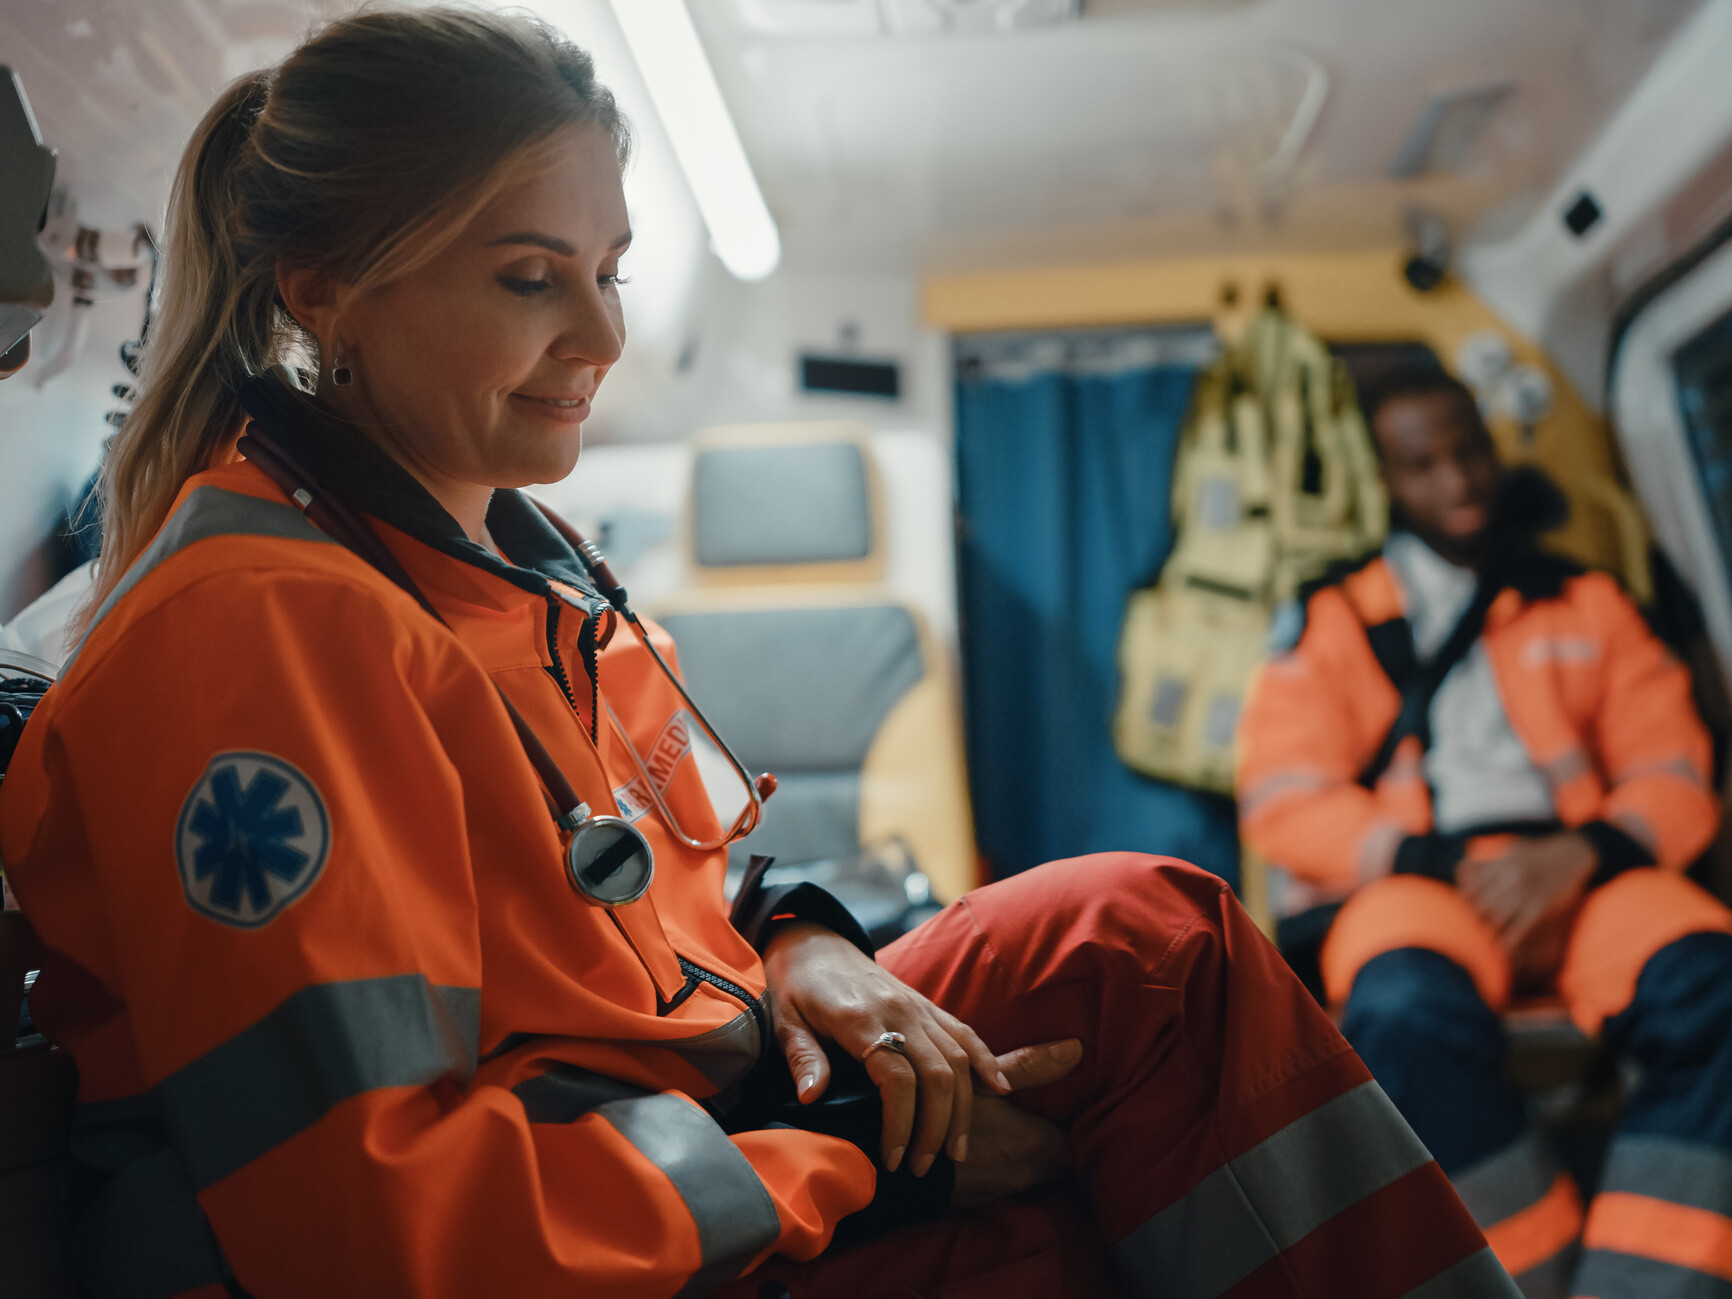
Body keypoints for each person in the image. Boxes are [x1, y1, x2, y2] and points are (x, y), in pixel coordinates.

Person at [0, 13, 1515, 1297]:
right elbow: (373, 1223)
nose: (599, 335)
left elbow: (674, 884)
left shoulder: (524, 570)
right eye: (531, 277)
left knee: (1134, 946)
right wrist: (848, 1149)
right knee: (1088, 1167)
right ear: (324, 284)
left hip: (699, 1106)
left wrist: (808, 943)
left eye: (612, 269)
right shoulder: (263, 630)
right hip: (601, 1216)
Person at [1237, 365, 1732, 1299]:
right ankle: (1521, 1282)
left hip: (1589, 869)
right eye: (1422, 463)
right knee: (1398, 1018)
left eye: (1468, 450)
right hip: (1423, 882)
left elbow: (1674, 768)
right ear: (1385, 478)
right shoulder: (1332, 618)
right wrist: (1438, 862)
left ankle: (1644, 1287)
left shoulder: (1589, 599)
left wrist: (1584, 854)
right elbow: (1285, 799)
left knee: (1717, 989)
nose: (1456, 480)